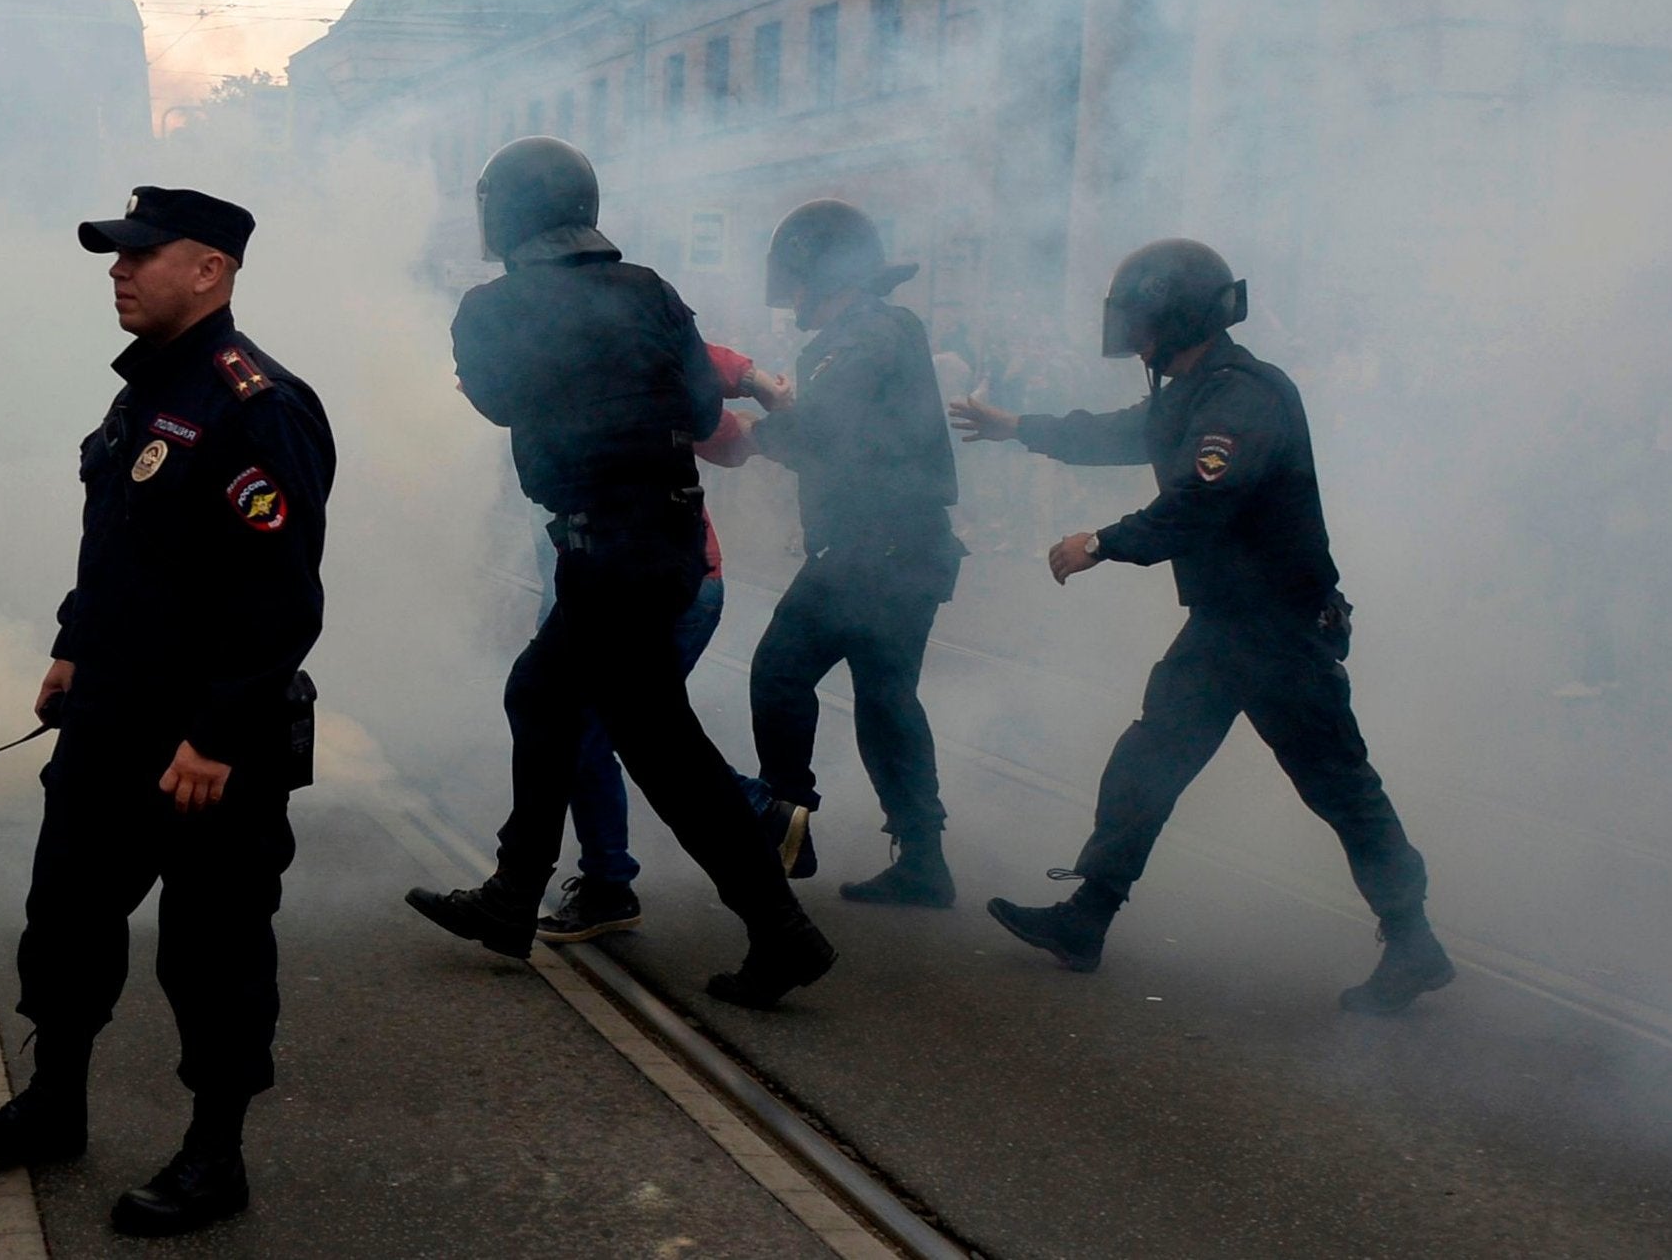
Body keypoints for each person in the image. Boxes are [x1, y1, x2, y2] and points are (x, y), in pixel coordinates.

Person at [0, 186, 337, 1235]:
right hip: (111, 712)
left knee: (210, 950)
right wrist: (73, 644)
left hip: (204, 737)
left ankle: (215, 1156)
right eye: (115, 256)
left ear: (208, 270)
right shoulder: (143, 394)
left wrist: (218, 733)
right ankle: (53, 1103)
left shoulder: (254, 404)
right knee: (65, 917)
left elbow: (280, 595)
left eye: (139, 255)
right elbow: (122, 541)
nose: (118, 271)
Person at [950, 239, 1452, 1014]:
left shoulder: (1243, 396)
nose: (1134, 335)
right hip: (1227, 626)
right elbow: (1122, 432)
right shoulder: (1189, 391)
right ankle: (1087, 916)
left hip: (1280, 630)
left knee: (1340, 787)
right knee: (1151, 754)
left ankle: (1413, 939)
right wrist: (1018, 426)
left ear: (1177, 317)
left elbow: (1199, 500)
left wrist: (1100, 543)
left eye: (1144, 319)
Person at [406, 137, 834, 1008]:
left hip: (605, 551)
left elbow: (493, 400)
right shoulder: (649, 290)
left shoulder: (492, 308)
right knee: (565, 703)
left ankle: (779, 932)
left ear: (512, 210)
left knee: (648, 743)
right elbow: (704, 407)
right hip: (666, 541)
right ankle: (515, 897)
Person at [723, 201, 968, 905]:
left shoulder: (867, 332)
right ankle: (923, 857)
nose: (791, 295)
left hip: (875, 548)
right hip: (902, 546)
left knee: (777, 671)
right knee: (887, 700)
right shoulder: (877, 329)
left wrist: (751, 438)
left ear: (820, 271)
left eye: (795, 278)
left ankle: (785, 824)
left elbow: (830, 424)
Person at [536, 345, 812, 945]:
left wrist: (757, 383)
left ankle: (619, 878)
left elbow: (680, 348)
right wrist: (765, 420)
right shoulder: (628, 390)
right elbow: (728, 443)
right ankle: (612, 880)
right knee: (620, 730)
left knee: (597, 732)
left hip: (648, 584)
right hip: (640, 580)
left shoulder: (605, 352)